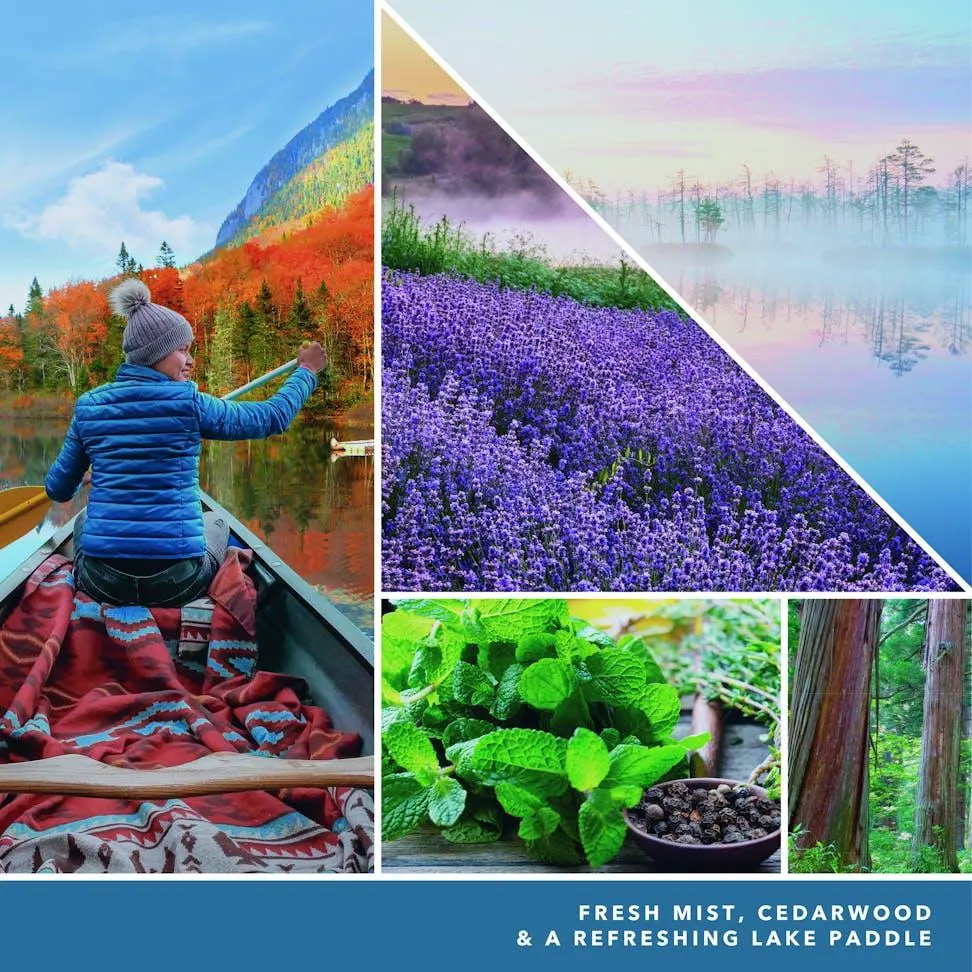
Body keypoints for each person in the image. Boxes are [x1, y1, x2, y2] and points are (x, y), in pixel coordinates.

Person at [45, 277, 327, 607]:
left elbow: (58, 490)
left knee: (83, 520)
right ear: (156, 353)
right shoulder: (191, 404)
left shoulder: (89, 406)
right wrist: (306, 370)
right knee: (218, 522)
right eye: (182, 350)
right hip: (176, 583)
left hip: (103, 583)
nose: (190, 360)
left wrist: (83, 475)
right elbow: (272, 416)